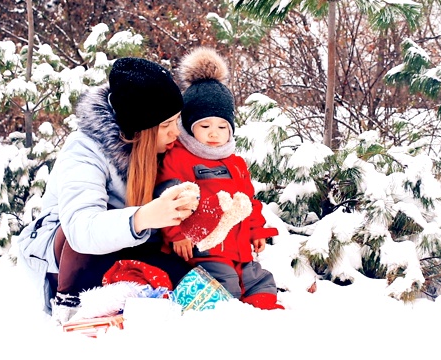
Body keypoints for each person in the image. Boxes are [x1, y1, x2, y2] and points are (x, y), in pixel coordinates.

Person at [15, 57, 198, 324]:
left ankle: (130, 293)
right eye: (166, 125)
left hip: (132, 244)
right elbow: (80, 229)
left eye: (177, 121)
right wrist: (144, 218)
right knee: (83, 230)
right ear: (142, 130)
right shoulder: (84, 149)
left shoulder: (166, 147)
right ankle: (72, 306)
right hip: (67, 255)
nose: (176, 133)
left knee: (186, 279)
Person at [155, 47, 283, 310]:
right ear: (188, 126)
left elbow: (248, 201)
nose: (214, 133)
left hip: (240, 249)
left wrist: (257, 230)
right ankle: (227, 323)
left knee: (262, 283)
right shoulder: (179, 158)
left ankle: (266, 320)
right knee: (225, 286)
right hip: (204, 249)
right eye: (204, 126)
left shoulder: (235, 163)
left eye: (222, 126)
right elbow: (168, 199)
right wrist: (176, 235)